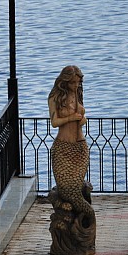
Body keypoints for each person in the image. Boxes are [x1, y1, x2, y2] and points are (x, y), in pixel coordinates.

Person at [48, 65, 95, 225]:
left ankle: (82, 223)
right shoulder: (55, 97)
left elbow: (81, 116)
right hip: (63, 147)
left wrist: (82, 120)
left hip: (80, 146)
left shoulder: (77, 93)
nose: (76, 85)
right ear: (65, 81)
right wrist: (71, 118)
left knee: (77, 186)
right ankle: (68, 213)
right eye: (73, 82)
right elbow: (54, 122)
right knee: (68, 189)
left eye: (78, 82)